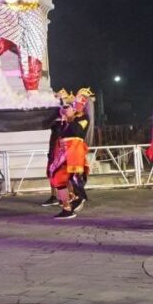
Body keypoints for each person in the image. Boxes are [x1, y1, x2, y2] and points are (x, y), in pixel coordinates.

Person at [47, 88, 94, 218]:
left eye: (79, 101)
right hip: (64, 150)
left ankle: (79, 196)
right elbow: (60, 133)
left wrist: (70, 118)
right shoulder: (69, 117)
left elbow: (77, 132)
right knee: (57, 178)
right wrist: (63, 118)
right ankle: (67, 209)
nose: (75, 103)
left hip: (74, 151)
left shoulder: (84, 118)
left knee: (71, 177)